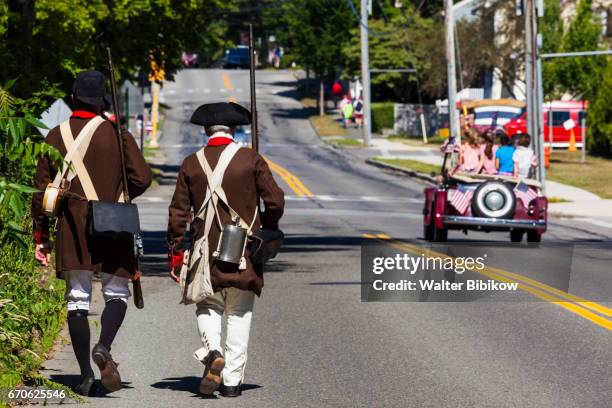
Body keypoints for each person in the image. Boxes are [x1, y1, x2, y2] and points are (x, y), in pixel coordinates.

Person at [32, 70, 153, 396]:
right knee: (117, 294)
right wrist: (119, 195)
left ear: (72, 99)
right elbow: (142, 177)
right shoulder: (117, 134)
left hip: (73, 227)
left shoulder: (55, 136)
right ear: (102, 102)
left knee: (77, 301)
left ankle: (85, 375)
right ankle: (103, 346)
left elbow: (41, 192)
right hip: (113, 223)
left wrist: (40, 236)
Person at [167, 102, 284, 397]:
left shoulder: (191, 163)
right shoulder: (251, 159)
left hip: (206, 253)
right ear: (234, 130)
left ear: (207, 131)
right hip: (245, 251)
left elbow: (178, 212)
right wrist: (266, 228)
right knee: (239, 314)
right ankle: (231, 382)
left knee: (207, 305)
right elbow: (275, 201)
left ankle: (213, 352)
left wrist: (175, 250)